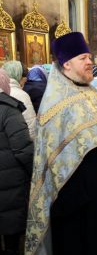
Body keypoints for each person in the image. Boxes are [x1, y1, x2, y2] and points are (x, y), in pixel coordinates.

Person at [24, 32, 97, 255]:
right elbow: (52, 158)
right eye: (83, 58)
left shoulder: (93, 94)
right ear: (66, 63)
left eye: (89, 57)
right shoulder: (55, 104)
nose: (90, 63)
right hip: (75, 201)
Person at [0, 69, 33, 255]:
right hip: (10, 183)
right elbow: (23, 149)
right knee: (12, 237)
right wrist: (34, 172)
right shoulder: (9, 109)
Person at [3, 61, 36, 139]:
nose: (26, 79)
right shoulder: (21, 95)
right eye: (24, 77)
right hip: (16, 145)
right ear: (19, 76)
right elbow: (31, 127)